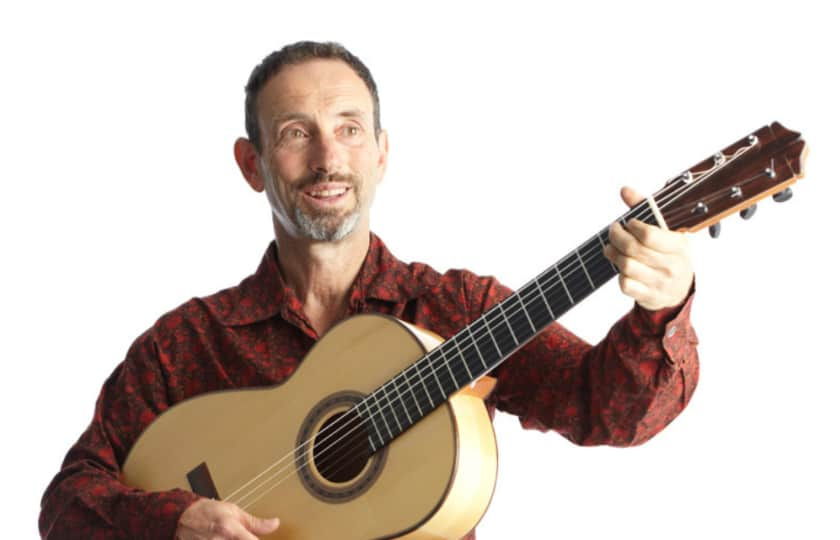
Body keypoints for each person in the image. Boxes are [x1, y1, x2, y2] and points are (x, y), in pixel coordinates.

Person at [39, 41, 698, 540]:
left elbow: (606, 410)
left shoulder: (457, 312)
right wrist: (174, 520)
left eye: (349, 129)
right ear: (252, 164)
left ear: (381, 153)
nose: (328, 158)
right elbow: (66, 504)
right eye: (296, 133)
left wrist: (662, 305)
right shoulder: (184, 343)